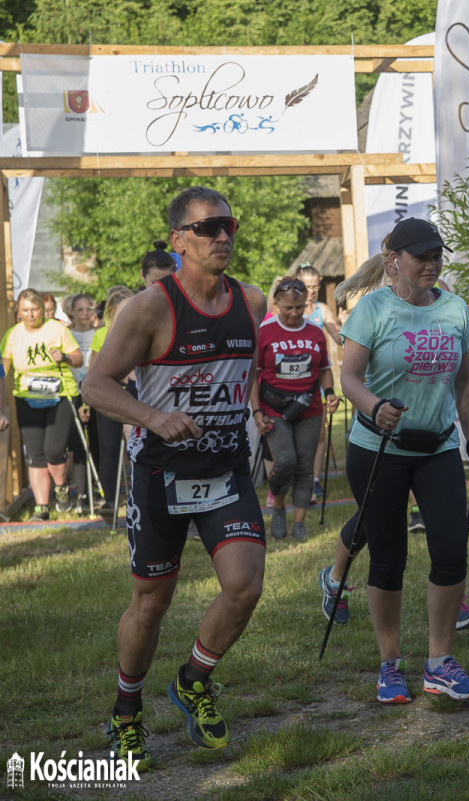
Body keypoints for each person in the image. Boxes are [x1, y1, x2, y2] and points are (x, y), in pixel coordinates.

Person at [82, 186, 267, 769]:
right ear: (177, 241)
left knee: (245, 585)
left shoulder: (253, 301)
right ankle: (125, 712)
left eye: (228, 226)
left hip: (224, 467)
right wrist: (154, 417)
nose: (222, 237)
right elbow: (96, 384)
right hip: (160, 473)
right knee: (151, 602)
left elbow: (240, 369)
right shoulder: (149, 308)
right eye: (208, 228)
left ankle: (193, 679)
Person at [316, 217, 469, 704]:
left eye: (437, 255)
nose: (432, 263)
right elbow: (349, 376)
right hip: (379, 449)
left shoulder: (456, 310)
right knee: (389, 557)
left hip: (437, 448)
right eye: (422, 256)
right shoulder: (372, 309)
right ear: (395, 261)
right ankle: (389, 664)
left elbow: (464, 382)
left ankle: (439, 663)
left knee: (452, 551)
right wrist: (374, 406)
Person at [250, 277, 339, 542]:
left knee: (303, 467)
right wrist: (256, 412)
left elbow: (324, 370)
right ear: (276, 303)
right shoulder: (265, 332)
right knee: (285, 460)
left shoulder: (314, 332)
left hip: (309, 408)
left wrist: (330, 393)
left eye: (299, 307)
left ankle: (299, 522)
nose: (293, 313)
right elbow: (252, 377)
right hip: (273, 407)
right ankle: (278, 507)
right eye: (288, 307)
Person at [2, 288, 83, 520]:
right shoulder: (12, 335)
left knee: (54, 450)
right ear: (18, 311)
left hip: (60, 396)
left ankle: (60, 487)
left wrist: (65, 357)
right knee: (35, 454)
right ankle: (42, 507)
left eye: (35, 309)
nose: (30, 314)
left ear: (42, 308)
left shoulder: (57, 329)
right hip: (27, 397)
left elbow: (78, 359)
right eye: (25, 310)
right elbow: (2, 371)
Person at [90, 286, 137, 511]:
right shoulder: (101, 334)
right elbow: (94, 371)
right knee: (108, 447)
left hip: (132, 395)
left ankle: (136, 492)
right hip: (110, 396)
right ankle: (110, 499)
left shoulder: (139, 330)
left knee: (134, 445)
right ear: (111, 312)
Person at [298, 264, 341, 501]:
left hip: (318, 377)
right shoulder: (289, 308)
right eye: (307, 286)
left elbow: (337, 334)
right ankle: (298, 479)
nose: (312, 291)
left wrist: (348, 329)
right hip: (293, 380)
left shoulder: (322, 310)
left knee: (319, 434)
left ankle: (314, 481)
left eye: (315, 286)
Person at [65, 293, 101, 512]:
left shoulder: (98, 333)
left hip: (95, 390)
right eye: (80, 310)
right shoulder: (67, 334)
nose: (86, 314)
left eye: (89, 309)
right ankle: (82, 492)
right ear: (72, 313)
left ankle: (97, 487)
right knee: (78, 444)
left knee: (96, 441)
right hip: (72, 390)